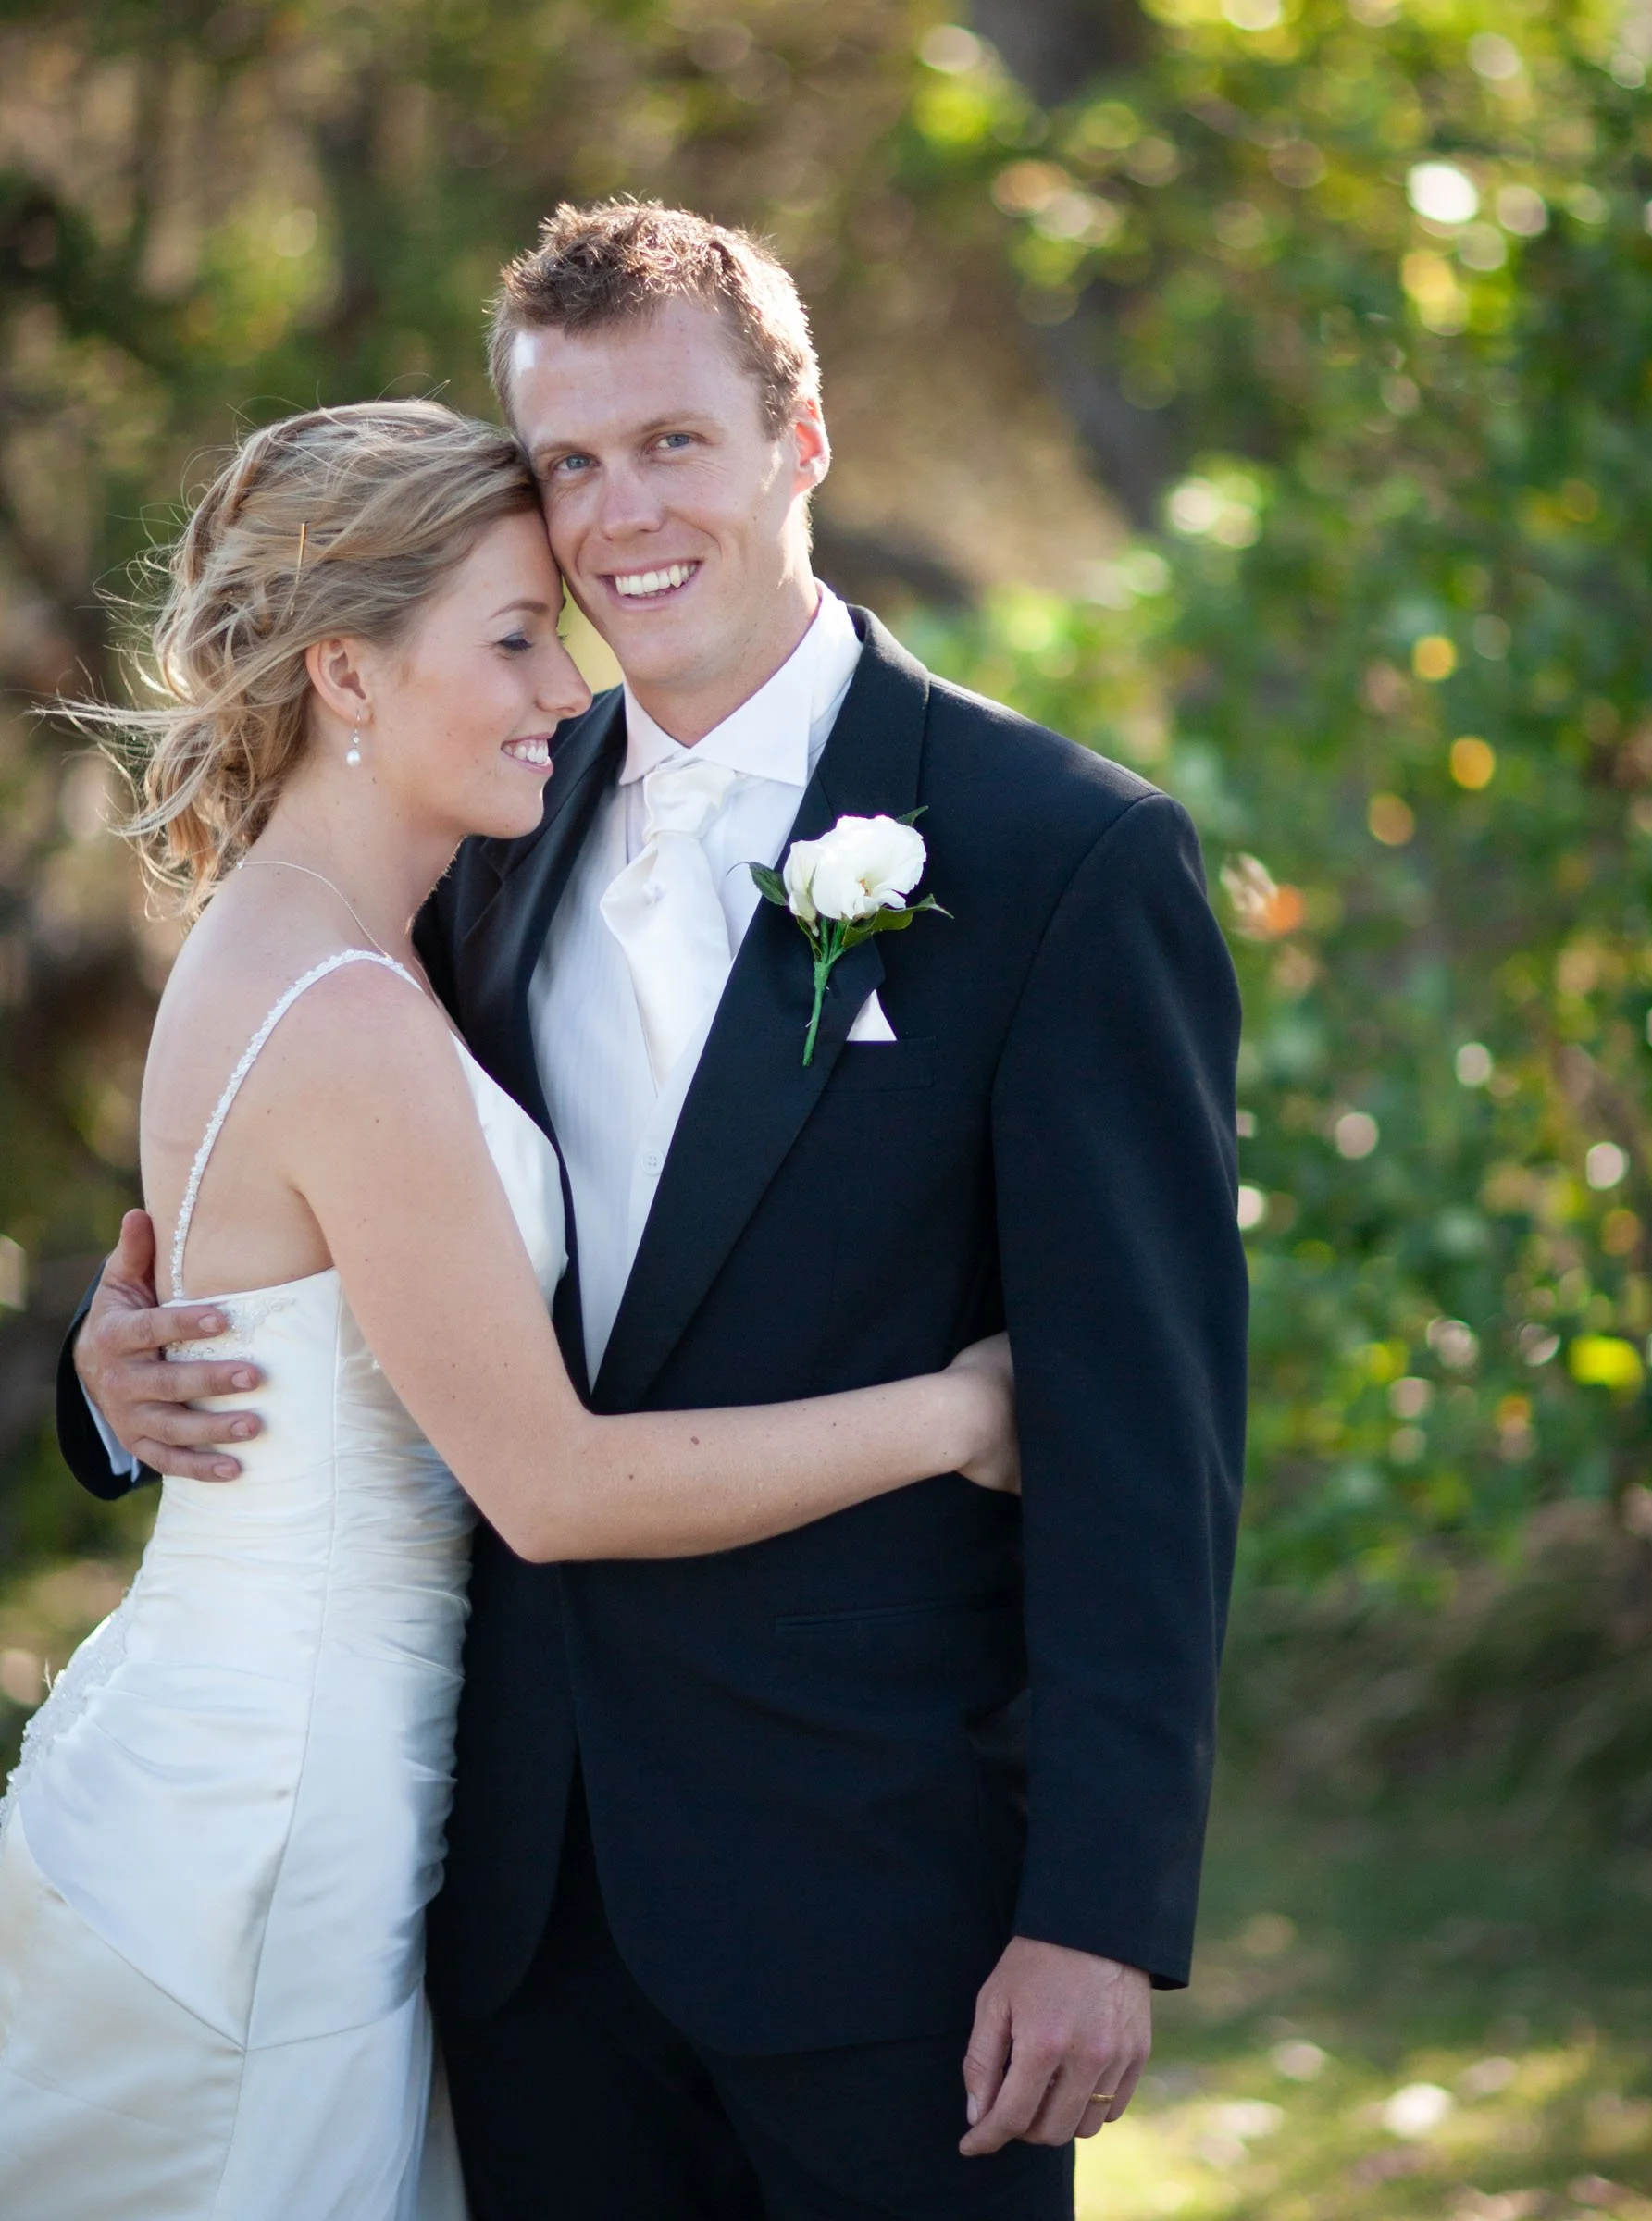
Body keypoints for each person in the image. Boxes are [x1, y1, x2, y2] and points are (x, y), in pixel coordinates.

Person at [60, 204, 1248, 2220]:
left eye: (675, 443)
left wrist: (1101, 1909)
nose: (621, 516)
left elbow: (1144, 1428)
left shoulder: (1065, 860)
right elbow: (304, 1196)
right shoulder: (487, 813)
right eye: (570, 465)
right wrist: (122, 1382)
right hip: (506, 1909)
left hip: (894, 1916)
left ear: (802, 439)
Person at [2, 398, 1021, 2220]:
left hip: (286, 1774)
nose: (568, 685)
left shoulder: (335, 936)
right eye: (512, 637)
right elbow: (547, 1486)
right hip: (275, 1828)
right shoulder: (348, 1009)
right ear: (348, 674)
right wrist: (958, 1414)